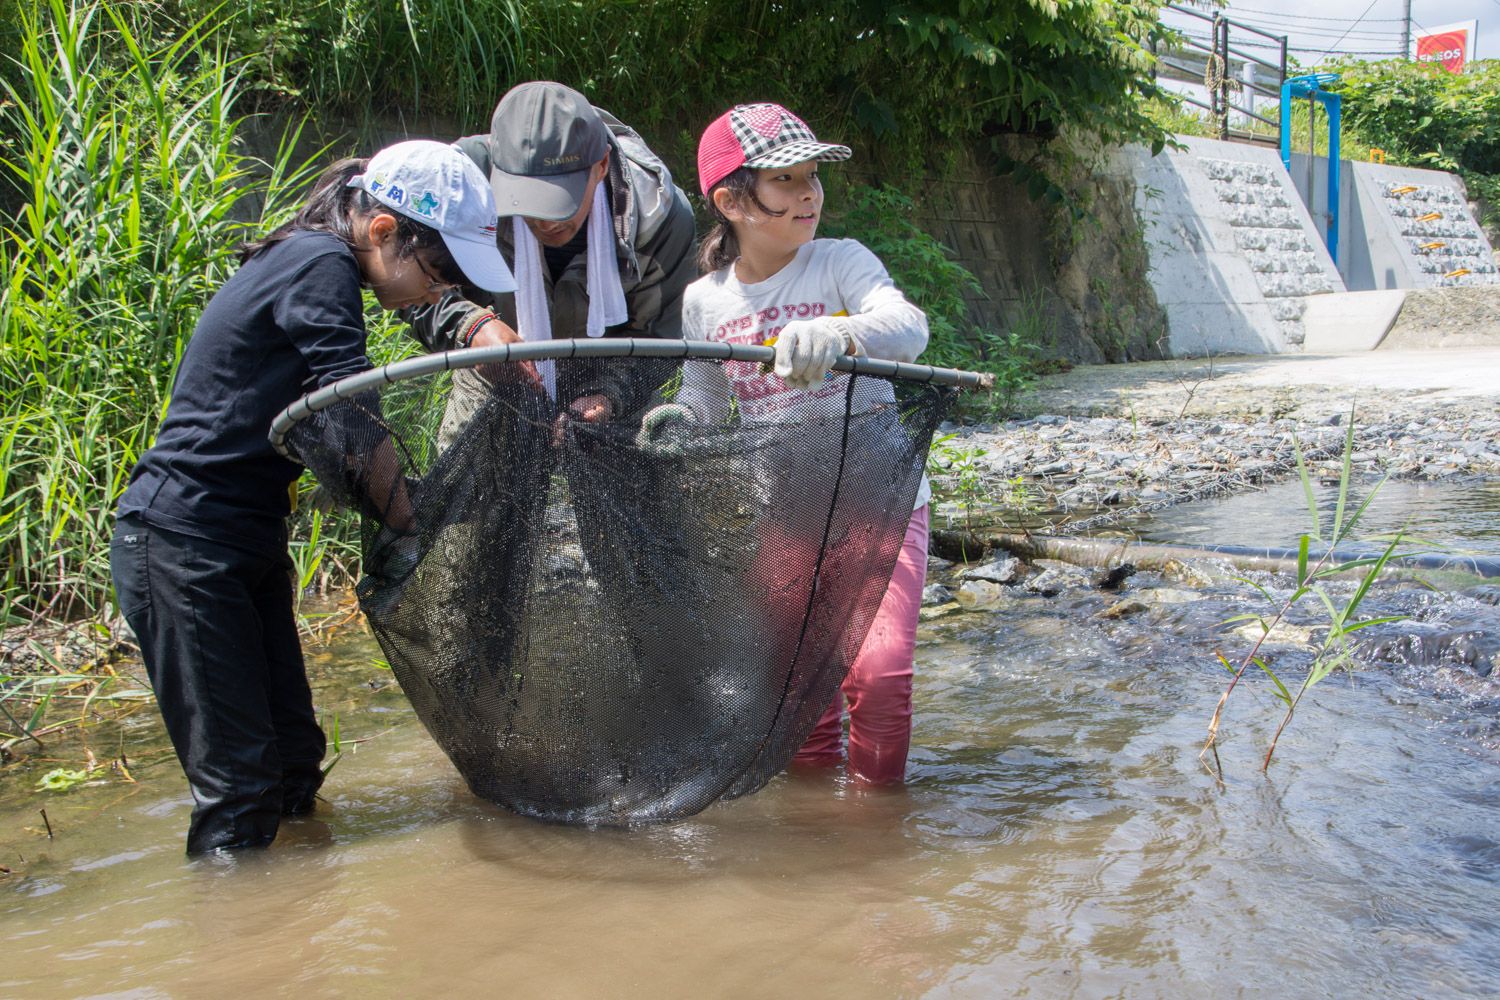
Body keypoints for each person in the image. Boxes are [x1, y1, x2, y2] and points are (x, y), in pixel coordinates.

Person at [110, 140, 515, 854]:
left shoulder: (319, 259)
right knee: (238, 793)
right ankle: (237, 944)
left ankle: (297, 929)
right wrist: (412, 522)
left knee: (295, 763)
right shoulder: (318, 262)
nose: (439, 289)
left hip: (246, 537)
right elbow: (349, 413)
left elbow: (345, 409)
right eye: (440, 270)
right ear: (385, 232)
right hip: (183, 541)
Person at [671, 102, 931, 785]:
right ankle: (814, 832)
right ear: (730, 200)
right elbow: (703, 397)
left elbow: (906, 326)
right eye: (786, 180)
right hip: (783, 519)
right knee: (799, 689)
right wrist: (677, 426)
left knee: (879, 672)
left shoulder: (837, 263)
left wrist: (841, 334)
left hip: (880, 503)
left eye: (812, 176)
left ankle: (876, 833)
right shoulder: (705, 301)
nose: (809, 192)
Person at [405, 81, 696, 444]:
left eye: (560, 202)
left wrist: (610, 394)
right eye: (525, 199)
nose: (545, 222)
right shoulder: (459, 185)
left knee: (631, 489)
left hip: (613, 374)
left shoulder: (661, 216)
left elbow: (661, 338)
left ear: (601, 165)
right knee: (469, 495)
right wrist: (471, 327)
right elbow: (410, 285)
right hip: (497, 367)